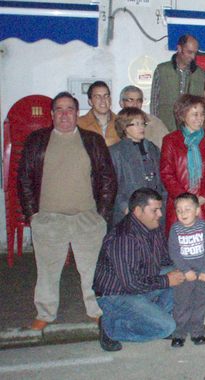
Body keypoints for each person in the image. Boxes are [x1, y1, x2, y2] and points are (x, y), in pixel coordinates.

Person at [19, 92, 117, 331]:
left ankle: (96, 311)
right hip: (49, 219)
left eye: (70, 109)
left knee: (92, 270)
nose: (64, 114)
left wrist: (101, 215)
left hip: (87, 219)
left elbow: (107, 178)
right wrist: (33, 215)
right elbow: (24, 179)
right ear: (52, 115)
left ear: (77, 113)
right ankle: (45, 312)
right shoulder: (37, 140)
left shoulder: (92, 140)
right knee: (47, 271)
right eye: (59, 110)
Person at [93, 188, 185, 351]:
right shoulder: (123, 237)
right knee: (168, 327)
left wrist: (194, 265)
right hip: (116, 295)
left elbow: (166, 260)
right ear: (137, 211)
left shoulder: (152, 227)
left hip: (141, 283)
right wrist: (166, 280)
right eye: (154, 210)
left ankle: (151, 318)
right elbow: (130, 284)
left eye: (160, 209)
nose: (160, 215)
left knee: (182, 274)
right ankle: (111, 328)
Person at [160, 94, 205, 267]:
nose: (200, 118)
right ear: (182, 115)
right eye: (194, 114)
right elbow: (167, 173)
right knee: (181, 258)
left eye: (202, 113)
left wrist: (204, 197)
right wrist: (185, 201)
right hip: (179, 207)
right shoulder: (171, 141)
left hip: (204, 206)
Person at [168, 193, 205, 347]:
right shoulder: (175, 229)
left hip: (203, 273)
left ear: (197, 211)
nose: (183, 213)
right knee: (182, 303)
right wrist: (185, 270)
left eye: (187, 209)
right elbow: (174, 252)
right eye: (179, 210)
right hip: (184, 273)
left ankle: (197, 332)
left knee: (201, 303)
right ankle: (179, 333)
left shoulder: (203, 227)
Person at [109, 107, 166, 226]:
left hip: (154, 210)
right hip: (130, 211)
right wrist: (125, 208)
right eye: (135, 124)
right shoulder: (116, 152)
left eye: (142, 123)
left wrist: (163, 201)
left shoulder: (152, 148)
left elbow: (161, 180)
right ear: (124, 127)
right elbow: (113, 187)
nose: (141, 127)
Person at [151, 34, 205, 132]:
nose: (193, 57)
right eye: (189, 52)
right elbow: (155, 102)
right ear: (179, 48)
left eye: (195, 53)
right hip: (165, 129)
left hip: (191, 131)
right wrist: (155, 127)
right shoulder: (161, 70)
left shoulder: (201, 74)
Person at [78, 81, 119, 146]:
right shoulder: (79, 124)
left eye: (106, 96)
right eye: (97, 97)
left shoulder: (121, 122)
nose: (103, 100)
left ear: (110, 100)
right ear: (90, 102)